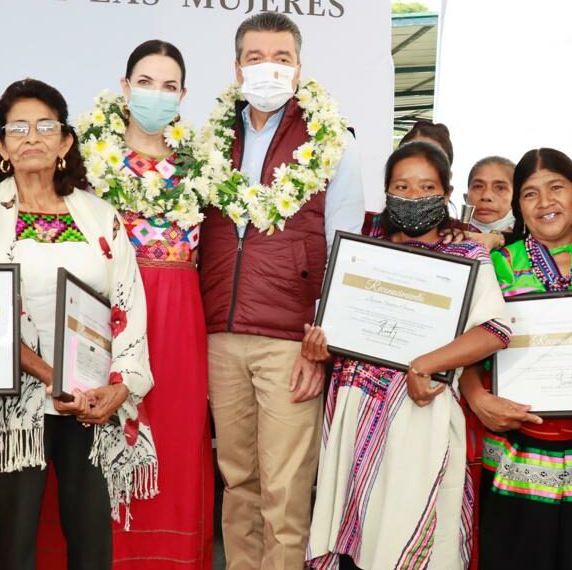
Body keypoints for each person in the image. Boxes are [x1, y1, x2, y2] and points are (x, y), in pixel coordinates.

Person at [0, 41, 214, 569]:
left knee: (92, 544)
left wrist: (120, 384)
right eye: (17, 127)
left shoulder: (99, 216)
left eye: (46, 126)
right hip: (14, 408)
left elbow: (128, 304)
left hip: (92, 404)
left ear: (66, 141)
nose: (32, 137)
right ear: (1, 145)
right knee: (12, 546)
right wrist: (52, 376)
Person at [199, 12, 364, 569]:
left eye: (281, 58)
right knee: (237, 482)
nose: (267, 67)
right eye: (255, 57)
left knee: (286, 492)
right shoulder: (210, 138)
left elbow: (345, 245)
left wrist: (322, 343)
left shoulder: (329, 138)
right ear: (236, 66)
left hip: (291, 340)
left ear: (299, 68)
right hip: (219, 332)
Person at [302, 141, 511, 570]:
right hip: (354, 414)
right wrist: (319, 347)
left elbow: (494, 330)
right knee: (353, 538)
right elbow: (335, 326)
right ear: (386, 192)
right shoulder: (363, 253)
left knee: (407, 533)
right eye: (402, 186)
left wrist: (426, 364)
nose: (413, 196)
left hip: (420, 417)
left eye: (426, 186)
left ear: (448, 192)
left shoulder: (466, 255)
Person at [460, 148, 572, 569]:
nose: (545, 203)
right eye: (530, 194)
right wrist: (478, 400)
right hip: (516, 459)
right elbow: (470, 351)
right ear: (519, 207)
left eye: (556, 188)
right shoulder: (498, 266)